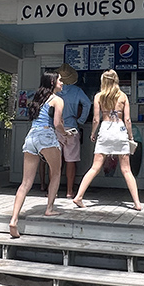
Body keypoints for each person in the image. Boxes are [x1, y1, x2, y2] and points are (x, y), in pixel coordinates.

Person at [71, 70, 142, 211]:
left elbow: (96, 119)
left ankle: (79, 196)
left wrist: (93, 133)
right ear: (116, 80)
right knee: (127, 170)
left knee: (95, 167)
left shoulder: (99, 96)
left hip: (105, 130)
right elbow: (127, 119)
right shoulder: (123, 96)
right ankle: (137, 203)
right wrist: (130, 136)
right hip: (120, 130)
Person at [9, 70, 69, 238]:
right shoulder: (58, 100)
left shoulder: (38, 98)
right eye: (59, 80)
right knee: (56, 173)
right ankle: (49, 209)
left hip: (31, 137)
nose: (62, 82)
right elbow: (57, 124)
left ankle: (14, 220)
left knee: (25, 182)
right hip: (46, 136)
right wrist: (65, 133)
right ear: (52, 83)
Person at [56, 63, 91, 198]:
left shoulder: (55, 90)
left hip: (57, 128)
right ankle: (69, 191)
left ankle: (53, 190)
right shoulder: (77, 91)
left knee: (56, 161)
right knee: (71, 161)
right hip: (72, 128)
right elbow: (87, 104)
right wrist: (81, 120)